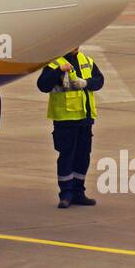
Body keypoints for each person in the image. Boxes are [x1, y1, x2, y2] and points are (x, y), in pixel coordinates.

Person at [37, 47, 105, 208]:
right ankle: (66, 194)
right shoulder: (55, 63)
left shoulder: (86, 61)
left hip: (85, 118)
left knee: (83, 156)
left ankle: (78, 192)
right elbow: (43, 85)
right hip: (65, 119)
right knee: (67, 156)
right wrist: (58, 71)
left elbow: (99, 80)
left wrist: (87, 83)